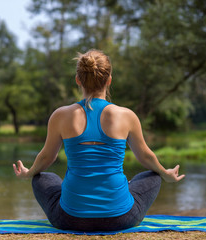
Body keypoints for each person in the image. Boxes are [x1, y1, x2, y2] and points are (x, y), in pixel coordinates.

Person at [13, 49, 185, 231]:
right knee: (153, 175)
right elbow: (146, 157)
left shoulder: (60, 115)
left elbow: (46, 158)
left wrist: (29, 173)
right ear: (109, 80)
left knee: (42, 177)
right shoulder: (127, 116)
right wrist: (165, 173)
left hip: (69, 219)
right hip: (121, 218)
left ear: (78, 79)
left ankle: (77, 194)